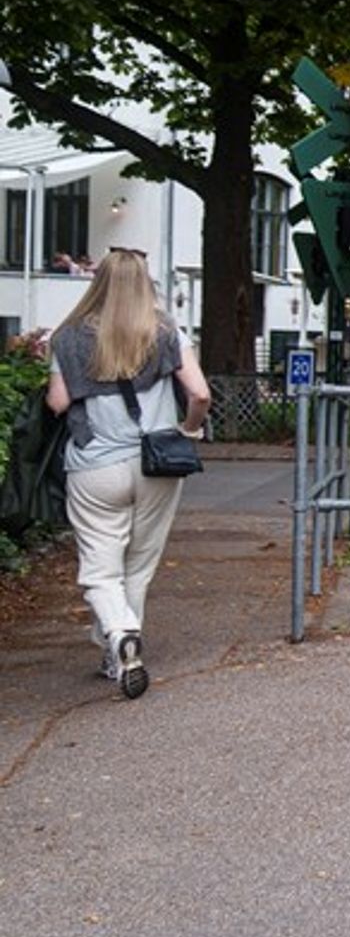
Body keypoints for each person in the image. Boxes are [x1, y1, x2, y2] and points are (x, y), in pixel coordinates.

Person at [42, 248, 210, 699]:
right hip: (157, 463)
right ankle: (120, 650)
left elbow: (58, 403)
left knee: (101, 568)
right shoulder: (167, 332)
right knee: (138, 564)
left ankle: (118, 635)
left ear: (98, 284)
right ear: (146, 284)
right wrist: (186, 431)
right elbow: (200, 394)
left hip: (94, 465)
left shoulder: (69, 337)